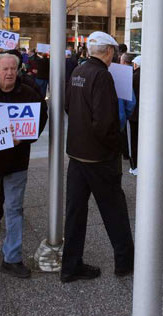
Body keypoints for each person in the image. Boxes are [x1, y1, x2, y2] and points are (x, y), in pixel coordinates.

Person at [61, 31, 135, 283]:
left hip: (76, 154)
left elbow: (68, 106)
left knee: (75, 212)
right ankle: (124, 262)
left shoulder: (78, 72)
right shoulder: (102, 76)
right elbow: (104, 122)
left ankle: (70, 266)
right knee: (114, 210)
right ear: (109, 51)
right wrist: (115, 147)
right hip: (99, 157)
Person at [0, 53, 48, 278]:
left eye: (12, 69)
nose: (9, 73)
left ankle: (12, 257)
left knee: (14, 209)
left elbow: (40, 120)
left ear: (18, 70)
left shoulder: (29, 94)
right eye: (5, 69)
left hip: (16, 162)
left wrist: (25, 137)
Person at [128, 55, 141, 175]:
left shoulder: (133, 76)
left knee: (134, 141)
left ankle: (135, 166)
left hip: (134, 113)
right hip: (144, 114)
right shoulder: (148, 75)